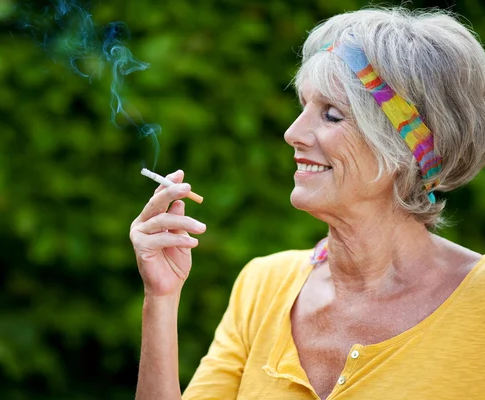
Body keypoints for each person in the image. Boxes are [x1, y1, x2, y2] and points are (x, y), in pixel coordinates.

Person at [130, 7, 485, 400]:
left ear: (407, 148)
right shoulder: (262, 285)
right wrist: (161, 300)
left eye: (332, 115)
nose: (292, 133)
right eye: (304, 107)